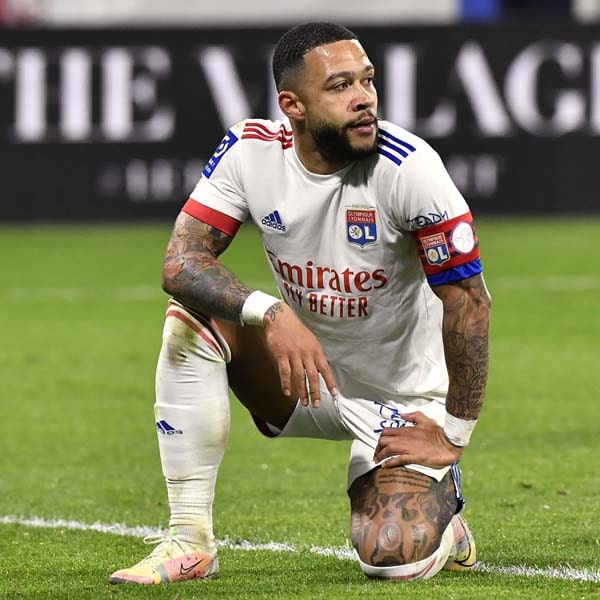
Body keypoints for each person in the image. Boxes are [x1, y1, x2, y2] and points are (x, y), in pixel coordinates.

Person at [109, 21, 491, 585]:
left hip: (405, 406)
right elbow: (181, 263)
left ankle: (444, 517)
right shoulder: (251, 152)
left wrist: (453, 433)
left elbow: (469, 302)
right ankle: (189, 540)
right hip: (305, 378)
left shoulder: (409, 168)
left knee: (390, 557)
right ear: (293, 106)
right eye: (339, 86)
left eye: (367, 80)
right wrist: (270, 311)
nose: (364, 98)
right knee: (192, 318)